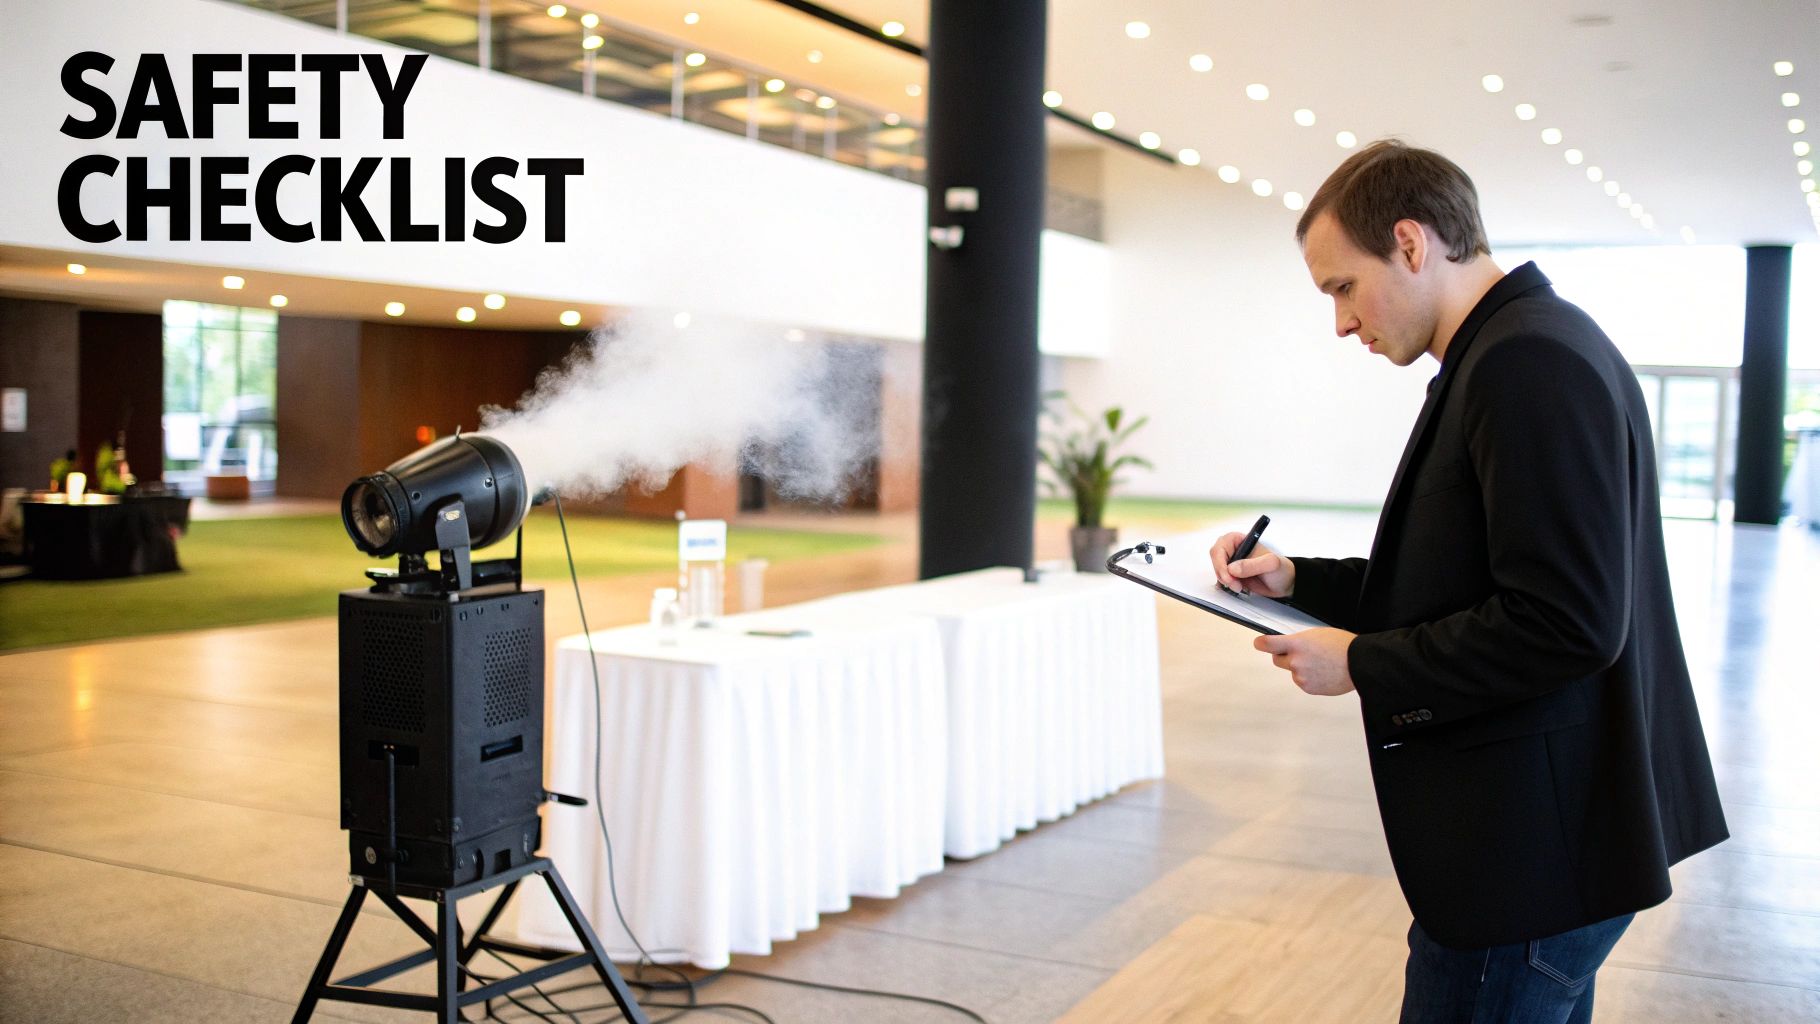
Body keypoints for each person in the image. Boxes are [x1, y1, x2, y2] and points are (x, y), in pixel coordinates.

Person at [1209, 140, 1728, 1023]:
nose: (1341, 322)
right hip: (1540, 848)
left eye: (1343, 287)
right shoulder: (1516, 347)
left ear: (1411, 244)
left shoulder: (1527, 363)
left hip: (1527, 860)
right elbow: (1459, 581)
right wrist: (1296, 580)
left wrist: (1361, 664)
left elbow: (1563, 621)